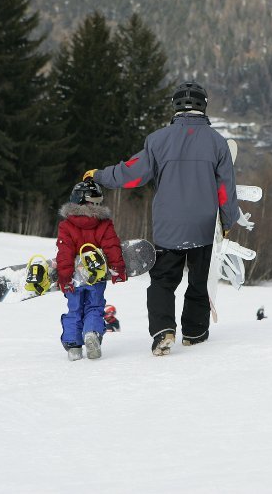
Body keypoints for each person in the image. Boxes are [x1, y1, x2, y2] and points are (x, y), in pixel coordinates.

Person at [84, 80, 242, 356]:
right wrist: (226, 223)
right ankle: (194, 333)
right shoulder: (218, 143)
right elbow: (225, 190)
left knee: (163, 281)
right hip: (204, 227)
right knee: (199, 282)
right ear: (203, 105)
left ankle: (163, 331)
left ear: (175, 105)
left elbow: (132, 174)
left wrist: (99, 176)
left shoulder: (158, 140)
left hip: (169, 227)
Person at [56, 180, 127, 361]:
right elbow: (112, 246)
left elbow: (64, 253)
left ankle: (73, 347)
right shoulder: (104, 223)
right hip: (96, 276)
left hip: (74, 279)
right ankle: (92, 333)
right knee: (94, 307)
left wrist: (64, 277)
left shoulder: (66, 225)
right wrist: (117, 268)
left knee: (74, 310)